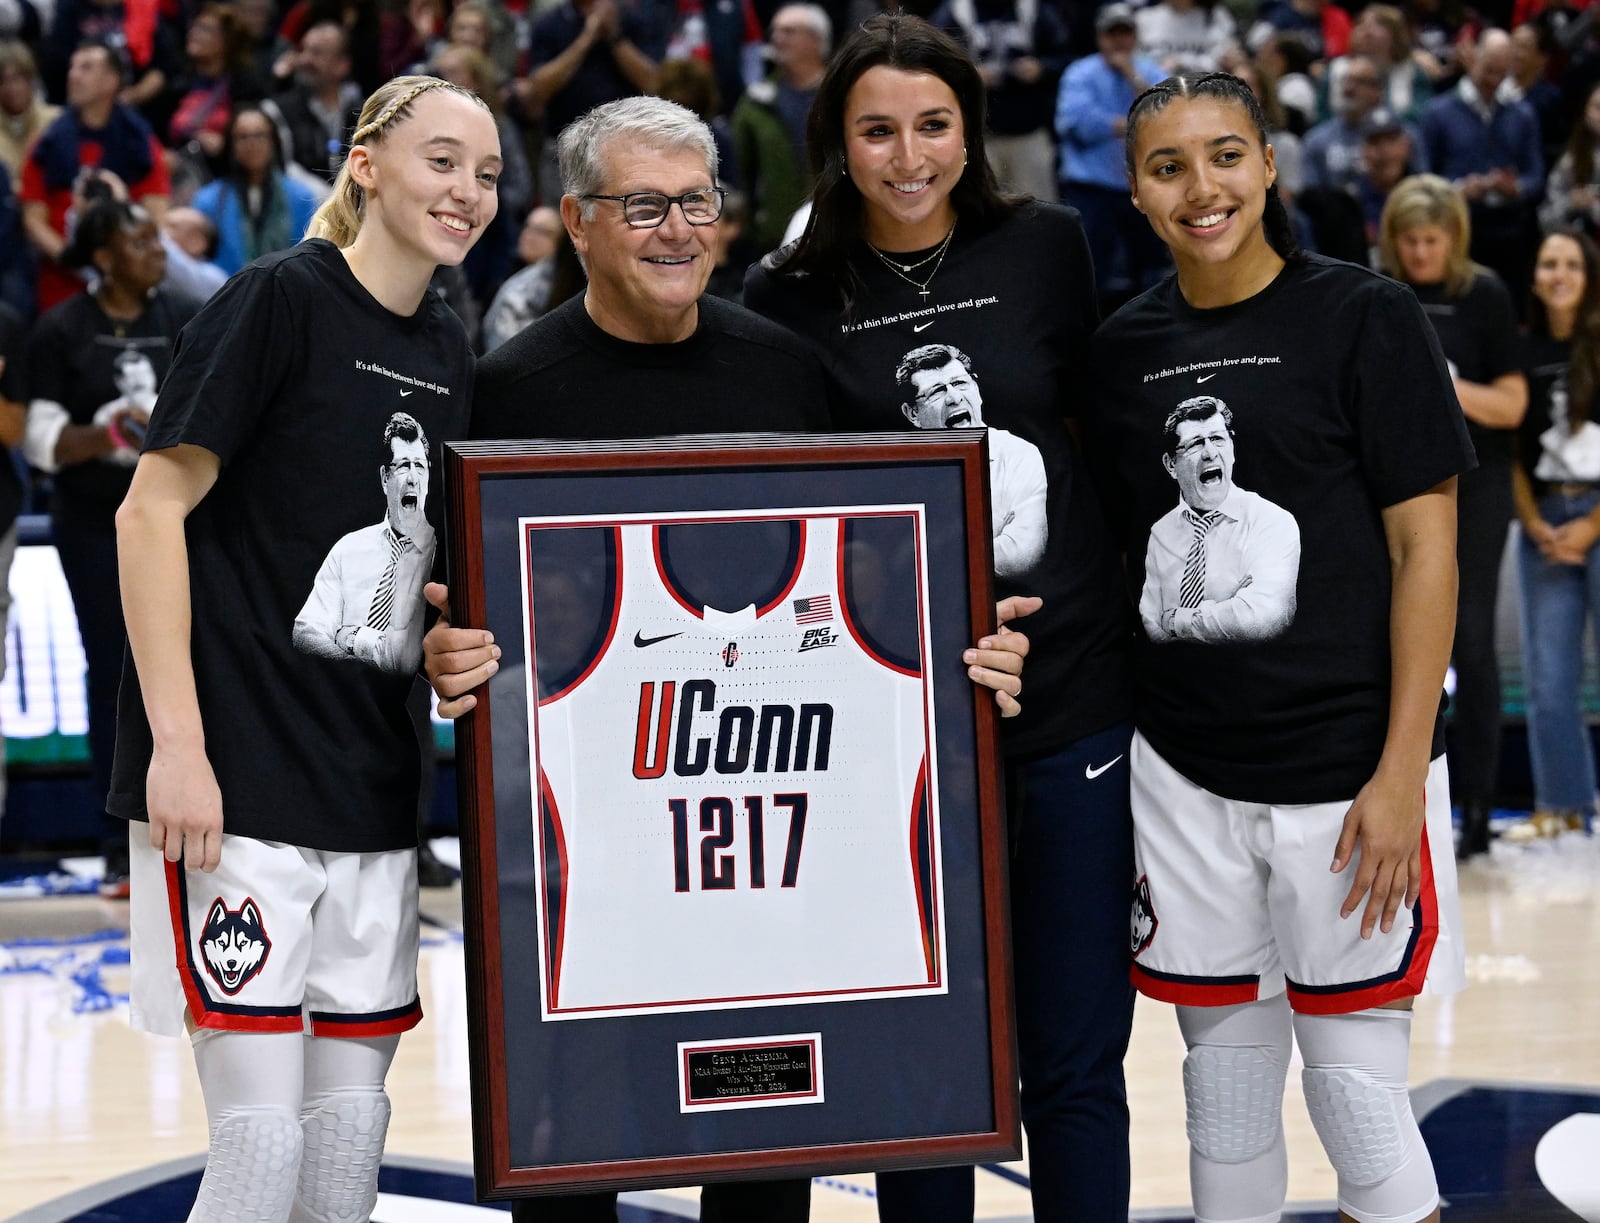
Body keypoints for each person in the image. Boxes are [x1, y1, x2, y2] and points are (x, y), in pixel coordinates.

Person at [422, 92, 1032, 1223]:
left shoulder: (785, 372)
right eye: (642, 204)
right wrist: (448, 651)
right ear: (576, 221)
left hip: (763, 823)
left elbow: (895, 563)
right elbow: (465, 609)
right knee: (571, 1130)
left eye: (696, 202)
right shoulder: (511, 390)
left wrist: (973, 633)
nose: (676, 229)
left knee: (761, 1136)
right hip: (589, 852)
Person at [743, 14, 1136, 1222]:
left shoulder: (1049, 249)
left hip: (1066, 698)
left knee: (1074, 1058)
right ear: (836, 141)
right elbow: (794, 519)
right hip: (895, 734)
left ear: (969, 133)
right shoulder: (790, 293)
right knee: (926, 1062)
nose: (906, 156)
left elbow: (1097, 446)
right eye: (876, 130)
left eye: (931, 127)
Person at [107, 75, 500, 1222]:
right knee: (260, 1149)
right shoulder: (277, 298)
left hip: (372, 786)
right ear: (366, 164)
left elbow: (397, 597)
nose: (466, 192)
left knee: (344, 1154)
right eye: (440, 161)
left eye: (483, 172)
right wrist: (177, 745)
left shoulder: (446, 343)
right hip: (236, 784)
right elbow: (146, 515)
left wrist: (433, 648)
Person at [1087, 71, 1470, 1223]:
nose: (1201, 187)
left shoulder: (1365, 315)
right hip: (1185, 779)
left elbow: (1427, 557)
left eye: (1223, 156)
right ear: (1138, 195)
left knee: (1357, 1097)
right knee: (1229, 1095)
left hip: (1350, 777)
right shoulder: (1117, 352)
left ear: (1267, 165)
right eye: (1168, 167)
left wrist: (1401, 773)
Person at [22, 198, 196, 898]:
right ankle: (116, 842)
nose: (156, 250)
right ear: (101, 256)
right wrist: (112, 434)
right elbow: (43, 444)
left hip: (179, 522)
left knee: (183, 669)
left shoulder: (180, 313)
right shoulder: (61, 329)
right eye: (139, 241)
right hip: (94, 522)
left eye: (158, 238)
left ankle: (185, 827)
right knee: (113, 669)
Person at [1378, 174, 1527, 858]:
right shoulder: (1379, 294)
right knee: (1398, 643)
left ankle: (1474, 812)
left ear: (1454, 238)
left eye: (1431, 240)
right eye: (1408, 240)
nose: (1419, 252)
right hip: (1395, 483)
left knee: (1469, 644)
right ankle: (1407, 797)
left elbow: (1512, 405)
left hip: (1479, 483)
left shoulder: (1484, 294)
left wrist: (1444, 383)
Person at [1510, 229, 1600, 841]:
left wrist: (1591, 526)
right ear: (1535, 276)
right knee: (1547, 678)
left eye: (1571, 263)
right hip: (1543, 518)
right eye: (1548, 263)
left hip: (1598, 510)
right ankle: (1563, 808)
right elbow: (1509, 454)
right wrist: (1539, 523)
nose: (1559, 273)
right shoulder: (1517, 349)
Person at [21, 40, 172, 314]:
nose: (73, 75)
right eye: (72, 67)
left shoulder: (141, 144)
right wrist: (72, 258)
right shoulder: (47, 142)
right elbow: (32, 219)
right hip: (61, 286)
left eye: (86, 67)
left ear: (111, 81)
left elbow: (158, 216)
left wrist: (119, 216)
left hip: (127, 286)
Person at [1139, 394, 1300, 644]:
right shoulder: (1161, 533)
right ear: (1171, 464)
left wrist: (1176, 621)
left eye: (1217, 439)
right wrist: (1224, 611)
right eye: (1195, 443)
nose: (1210, 453)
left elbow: (1260, 618)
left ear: (1232, 449)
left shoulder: (1272, 521)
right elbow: (1151, 624)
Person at [895, 342, 1048, 577]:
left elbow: (1021, 556)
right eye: (936, 391)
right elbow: (897, 564)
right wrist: (994, 533)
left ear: (976, 388)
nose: (954, 398)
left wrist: (936, 551)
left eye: (960, 383)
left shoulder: (1017, 454)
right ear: (912, 413)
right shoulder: (901, 475)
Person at [1056, 3, 1170, 313]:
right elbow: (1075, 125)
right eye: (1112, 34)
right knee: (1092, 269)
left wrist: (1133, 77)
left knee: (1149, 267)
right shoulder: (1080, 72)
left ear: (1134, 36)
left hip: (1141, 188)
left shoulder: (1149, 71)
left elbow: (1168, 116)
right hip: (1091, 187)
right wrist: (1131, 122)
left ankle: (1152, 325)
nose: (1118, 41)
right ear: (1099, 37)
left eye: (1125, 33)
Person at [731, 4, 830, 252]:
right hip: (770, 237)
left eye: (789, 31)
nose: (776, 38)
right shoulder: (756, 100)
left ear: (816, 39)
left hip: (836, 230)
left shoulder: (843, 95)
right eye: (774, 31)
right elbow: (738, 167)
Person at [191, 103, 319, 275]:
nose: (252, 144)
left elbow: (308, 259)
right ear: (231, 145)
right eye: (243, 137)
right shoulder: (208, 200)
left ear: (273, 141)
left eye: (260, 135)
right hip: (226, 293)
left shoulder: (301, 197)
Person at [1539, 81, 1600, 236]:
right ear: (1585, 111)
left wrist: (1593, 206)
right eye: (1598, 108)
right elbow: (1545, 218)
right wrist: (1570, 203)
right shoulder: (1570, 160)